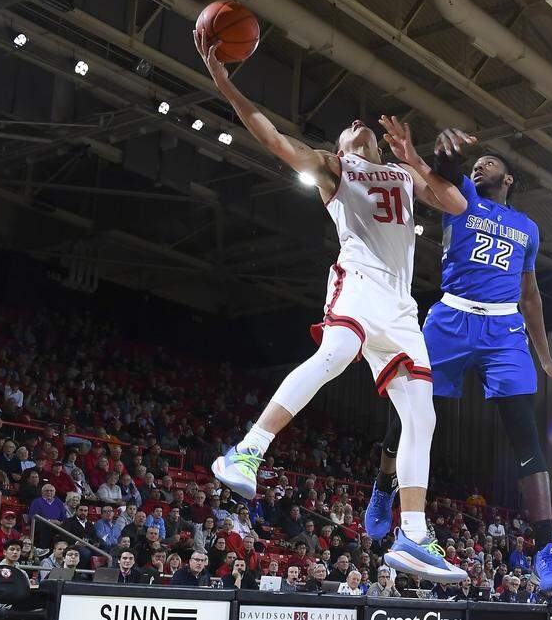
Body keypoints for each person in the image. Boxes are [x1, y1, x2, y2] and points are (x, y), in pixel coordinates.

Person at [195, 29, 467, 584]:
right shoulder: (333, 167)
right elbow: (271, 137)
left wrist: (416, 156)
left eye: (357, 123)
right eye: (346, 127)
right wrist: (225, 84)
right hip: (359, 282)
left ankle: (413, 536)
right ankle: (246, 452)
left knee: (423, 415)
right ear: (342, 148)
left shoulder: (401, 173)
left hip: (400, 305)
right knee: (338, 350)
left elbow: (457, 204)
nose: (356, 123)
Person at [366, 131, 552, 594]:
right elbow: (443, 173)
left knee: (525, 431)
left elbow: (530, 294)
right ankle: (384, 487)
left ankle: (547, 551)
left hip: (504, 331)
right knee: (407, 413)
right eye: (476, 162)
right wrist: (448, 155)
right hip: (450, 317)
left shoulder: (527, 227)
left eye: (490, 163)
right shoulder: (462, 193)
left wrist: (545, 358)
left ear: (509, 177)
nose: (481, 167)